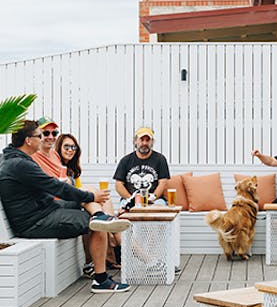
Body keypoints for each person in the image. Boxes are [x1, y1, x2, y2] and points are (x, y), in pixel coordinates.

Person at [0, 120, 131, 293]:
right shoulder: (20, 164)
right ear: (28, 140)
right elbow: (56, 187)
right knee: (96, 224)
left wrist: (89, 196)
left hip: (45, 209)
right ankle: (101, 280)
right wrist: (91, 197)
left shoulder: (17, 160)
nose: (44, 139)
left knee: (87, 194)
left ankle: (100, 214)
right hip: (36, 222)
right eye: (40, 136)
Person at [56, 133, 122, 270]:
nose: (70, 150)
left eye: (73, 147)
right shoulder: (57, 167)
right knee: (94, 197)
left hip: (75, 204)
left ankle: (111, 227)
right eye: (66, 146)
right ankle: (124, 249)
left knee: (105, 201)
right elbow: (72, 193)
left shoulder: (73, 171)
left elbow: (78, 191)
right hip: (64, 208)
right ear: (59, 148)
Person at [113, 127, 170, 208]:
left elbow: (163, 183)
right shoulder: (126, 160)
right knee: (123, 211)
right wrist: (131, 198)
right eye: (141, 140)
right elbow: (118, 184)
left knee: (159, 208)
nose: (144, 143)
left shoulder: (160, 159)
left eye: (147, 140)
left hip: (155, 199)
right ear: (135, 141)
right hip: (130, 198)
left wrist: (153, 198)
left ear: (152, 142)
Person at [31, 116, 68, 181]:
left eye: (54, 133)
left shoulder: (55, 153)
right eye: (46, 133)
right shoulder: (32, 156)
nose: (51, 137)